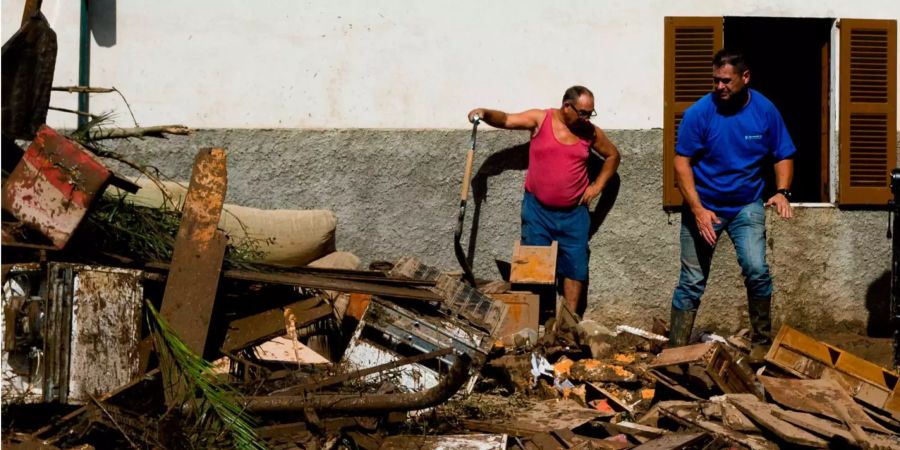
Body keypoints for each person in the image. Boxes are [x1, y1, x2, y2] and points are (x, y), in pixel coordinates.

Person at [669, 49, 795, 359]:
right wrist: (698, 210)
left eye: (726, 81)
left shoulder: (765, 111)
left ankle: (761, 345)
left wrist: (782, 191)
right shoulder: (700, 112)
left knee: (756, 269)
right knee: (692, 281)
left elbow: (783, 153)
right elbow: (681, 162)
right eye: (715, 81)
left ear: (745, 78)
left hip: (745, 204)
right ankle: (674, 352)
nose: (720, 87)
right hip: (705, 204)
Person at [468, 86, 621, 315]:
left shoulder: (590, 133)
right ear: (567, 106)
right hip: (538, 211)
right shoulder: (541, 119)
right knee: (535, 267)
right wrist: (484, 112)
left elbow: (613, 155)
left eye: (591, 113)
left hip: (574, 214)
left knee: (575, 270)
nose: (587, 118)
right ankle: (536, 321)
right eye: (583, 113)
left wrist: (597, 186)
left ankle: (567, 327)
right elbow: (508, 119)